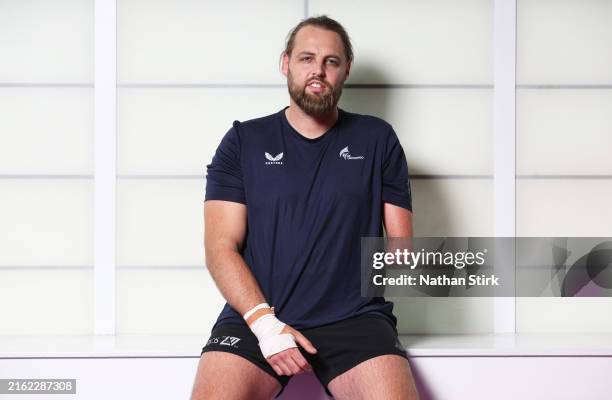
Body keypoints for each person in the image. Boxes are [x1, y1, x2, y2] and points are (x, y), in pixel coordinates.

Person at [191, 15, 420, 400]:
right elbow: (220, 248)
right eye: (306, 58)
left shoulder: (377, 138)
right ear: (286, 63)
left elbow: (401, 251)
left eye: (331, 61)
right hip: (258, 314)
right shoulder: (243, 141)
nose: (319, 70)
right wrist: (265, 325)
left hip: (354, 319)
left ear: (346, 68)